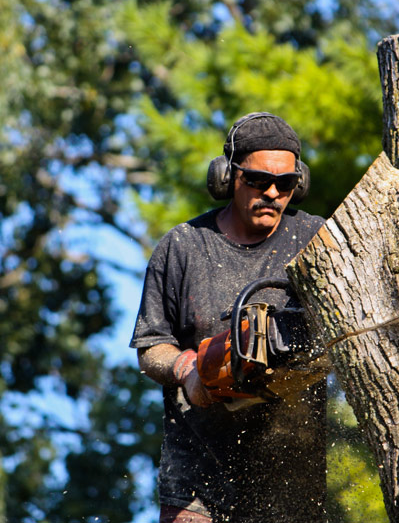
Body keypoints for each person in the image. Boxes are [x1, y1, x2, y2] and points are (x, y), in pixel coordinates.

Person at [131, 112, 327, 523]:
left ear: (299, 184)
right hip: (197, 476)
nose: (272, 192)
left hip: (290, 476)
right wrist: (189, 370)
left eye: (285, 184)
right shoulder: (182, 246)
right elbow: (151, 347)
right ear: (227, 177)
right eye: (258, 180)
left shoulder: (317, 241)